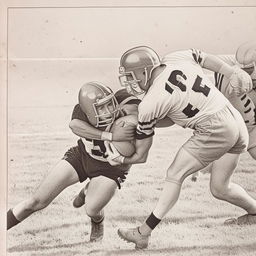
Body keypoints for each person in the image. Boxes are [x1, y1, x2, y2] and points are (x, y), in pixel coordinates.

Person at [104, 45, 256, 249]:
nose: (130, 83)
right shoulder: (177, 57)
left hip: (215, 128)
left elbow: (142, 155)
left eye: (132, 76)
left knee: (174, 174)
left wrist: (122, 158)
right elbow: (206, 59)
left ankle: (143, 232)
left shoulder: (149, 104)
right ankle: (255, 213)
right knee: (220, 188)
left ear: (144, 71)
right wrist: (231, 71)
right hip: (235, 122)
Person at [7, 81, 140, 242]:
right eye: (101, 108)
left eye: (109, 105)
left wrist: (134, 117)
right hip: (82, 156)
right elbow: (74, 125)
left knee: (92, 209)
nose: (108, 111)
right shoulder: (83, 110)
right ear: (89, 111)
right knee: (36, 201)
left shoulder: (124, 102)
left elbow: (142, 110)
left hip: (111, 168)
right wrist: (108, 136)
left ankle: (95, 215)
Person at [191, 42, 256, 182]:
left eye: (250, 69)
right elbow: (201, 59)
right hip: (227, 116)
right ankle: (201, 170)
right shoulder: (230, 63)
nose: (245, 72)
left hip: (247, 121)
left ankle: (201, 170)